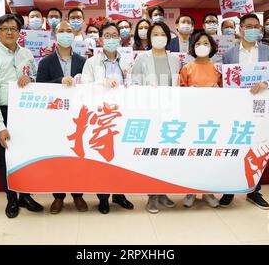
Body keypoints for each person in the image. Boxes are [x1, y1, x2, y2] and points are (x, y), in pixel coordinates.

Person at [220, 13, 269, 210]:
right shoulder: (229, 54)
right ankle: (229, 190)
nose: (253, 29)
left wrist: (266, 83)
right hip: (237, 110)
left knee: (258, 149)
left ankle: (254, 191)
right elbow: (226, 81)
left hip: (261, 110)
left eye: (257, 26)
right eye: (248, 26)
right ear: (240, 29)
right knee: (234, 149)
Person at [0, 14, 44, 219]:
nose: (10, 32)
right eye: (5, 29)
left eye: (14, 29)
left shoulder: (27, 54)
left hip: (26, 111)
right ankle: (11, 198)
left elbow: (34, 77)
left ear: (19, 32)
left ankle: (25, 195)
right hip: (4, 111)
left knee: (26, 155)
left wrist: (30, 78)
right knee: (7, 157)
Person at [80, 22, 134, 214]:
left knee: (121, 157)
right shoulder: (91, 62)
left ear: (120, 38)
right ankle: (103, 197)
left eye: (115, 35)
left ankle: (119, 194)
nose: (111, 39)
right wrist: (103, 82)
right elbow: (84, 86)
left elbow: (133, 83)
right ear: (101, 39)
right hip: (100, 115)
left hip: (122, 114)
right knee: (103, 156)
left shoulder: (126, 61)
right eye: (107, 36)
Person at [36, 20, 88, 214]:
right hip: (54, 117)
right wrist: (59, 81)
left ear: (74, 35)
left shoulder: (83, 62)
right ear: (55, 35)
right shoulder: (45, 62)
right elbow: (40, 88)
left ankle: (78, 195)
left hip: (78, 117)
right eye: (61, 31)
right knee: (56, 157)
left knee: (78, 156)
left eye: (69, 31)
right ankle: (58, 196)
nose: (65, 34)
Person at [129, 22, 179, 213]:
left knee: (166, 155)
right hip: (149, 113)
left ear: (168, 37)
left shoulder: (174, 60)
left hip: (169, 113)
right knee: (151, 154)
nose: (159, 37)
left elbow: (178, 86)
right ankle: (151, 196)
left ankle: (163, 192)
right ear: (149, 37)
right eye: (155, 34)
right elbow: (134, 84)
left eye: (162, 34)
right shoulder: (142, 58)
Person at [178, 31, 222, 208]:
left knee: (210, 157)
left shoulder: (219, 68)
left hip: (213, 118)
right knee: (192, 156)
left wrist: (217, 89)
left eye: (205, 43)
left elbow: (228, 91)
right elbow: (179, 91)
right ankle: (190, 191)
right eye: (197, 44)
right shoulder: (187, 68)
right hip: (192, 118)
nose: (202, 46)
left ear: (212, 47)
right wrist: (190, 91)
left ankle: (208, 192)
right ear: (192, 48)